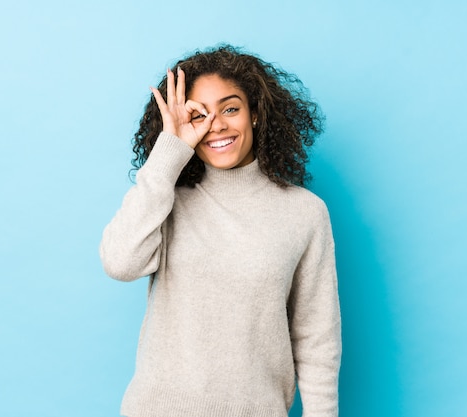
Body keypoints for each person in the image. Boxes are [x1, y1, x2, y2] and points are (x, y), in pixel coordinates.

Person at [99, 44, 341, 417]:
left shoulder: (304, 213)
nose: (216, 125)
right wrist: (170, 150)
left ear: (256, 114)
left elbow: (317, 339)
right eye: (200, 114)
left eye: (230, 108)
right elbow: (119, 262)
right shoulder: (166, 200)